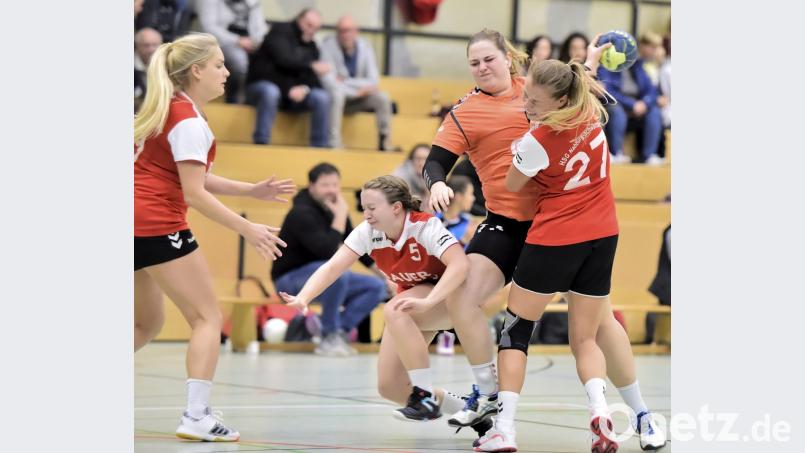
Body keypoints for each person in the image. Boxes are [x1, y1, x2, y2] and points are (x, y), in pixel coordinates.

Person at [424, 30, 664, 447]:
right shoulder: (473, 110)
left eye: (489, 59)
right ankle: (487, 392)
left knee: (586, 326)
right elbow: (437, 161)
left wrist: (526, 142)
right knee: (464, 299)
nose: (482, 68)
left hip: (552, 228)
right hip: (517, 224)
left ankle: (639, 413)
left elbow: (567, 91)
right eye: (474, 62)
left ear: (509, 59)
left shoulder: (537, 93)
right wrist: (435, 184)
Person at [134, 33, 294, 442]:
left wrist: (250, 191)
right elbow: (193, 193)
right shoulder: (188, 121)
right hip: (155, 223)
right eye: (220, 64)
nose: (228, 71)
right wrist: (248, 227)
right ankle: (196, 415)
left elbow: (189, 175)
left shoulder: (167, 109)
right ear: (196, 70)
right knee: (206, 318)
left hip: (131, 221)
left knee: (144, 323)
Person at [280, 176, 491, 438]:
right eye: (363, 207)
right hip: (417, 305)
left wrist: (429, 300)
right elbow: (333, 266)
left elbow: (460, 265)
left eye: (372, 207)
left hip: (452, 298)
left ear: (396, 208)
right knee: (390, 386)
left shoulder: (424, 226)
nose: (366, 214)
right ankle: (475, 415)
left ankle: (424, 397)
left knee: (394, 308)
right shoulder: (368, 232)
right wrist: (304, 296)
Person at [271, 163, 389, 356]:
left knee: (376, 287)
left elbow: (357, 245)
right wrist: (340, 216)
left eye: (335, 185)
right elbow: (327, 252)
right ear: (312, 187)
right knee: (337, 274)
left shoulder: (334, 209)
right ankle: (328, 334)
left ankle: (336, 331)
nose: (331, 190)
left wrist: (383, 274)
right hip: (290, 280)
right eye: (325, 185)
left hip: (325, 276)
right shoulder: (300, 213)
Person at [245, 8, 331, 147]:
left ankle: (320, 147)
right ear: (299, 20)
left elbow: (311, 78)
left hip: (291, 94)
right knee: (270, 91)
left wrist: (304, 88)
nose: (311, 30)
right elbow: (279, 64)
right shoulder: (279, 32)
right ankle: (261, 143)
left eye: (316, 28)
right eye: (308, 25)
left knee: (321, 97)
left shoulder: (312, 46)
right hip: (260, 88)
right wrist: (288, 89)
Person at [319, 15, 394, 150]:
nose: (345, 35)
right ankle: (334, 143)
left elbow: (373, 80)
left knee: (383, 98)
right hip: (337, 99)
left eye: (348, 30)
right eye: (341, 31)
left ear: (356, 31)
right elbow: (329, 81)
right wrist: (358, 90)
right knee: (337, 94)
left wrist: (346, 82)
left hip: (359, 97)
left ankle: (384, 143)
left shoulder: (365, 46)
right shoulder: (327, 46)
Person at [598, 32, 665, 165]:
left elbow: (651, 91)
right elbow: (607, 91)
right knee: (617, 111)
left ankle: (649, 155)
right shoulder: (606, 66)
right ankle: (617, 153)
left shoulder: (638, 65)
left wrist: (644, 103)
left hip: (637, 109)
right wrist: (631, 104)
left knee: (654, 111)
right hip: (618, 107)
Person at [196, 0, 269, 104]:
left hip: (249, 42)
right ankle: (234, 99)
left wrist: (256, 41)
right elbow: (209, 27)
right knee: (239, 60)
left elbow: (260, 28)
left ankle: (254, 96)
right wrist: (238, 40)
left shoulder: (252, 3)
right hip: (220, 42)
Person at [437, 175, 477, 247]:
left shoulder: (469, 225)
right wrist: (463, 240)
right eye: (470, 194)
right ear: (458, 196)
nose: (473, 198)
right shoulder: (432, 220)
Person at [393, 144, 430, 211]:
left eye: (425, 159)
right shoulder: (402, 179)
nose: (422, 163)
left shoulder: (425, 177)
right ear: (411, 160)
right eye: (418, 159)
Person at [135, 27, 164, 109]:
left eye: (155, 45)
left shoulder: (167, 66)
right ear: (137, 46)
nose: (151, 49)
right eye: (146, 45)